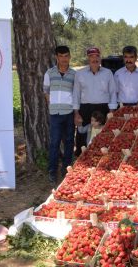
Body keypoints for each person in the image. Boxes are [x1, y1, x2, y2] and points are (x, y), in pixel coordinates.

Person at [73, 47, 117, 156]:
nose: (95, 59)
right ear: (88, 58)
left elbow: (112, 92)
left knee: (102, 135)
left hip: (103, 108)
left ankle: (101, 160)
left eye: (97, 56)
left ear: (100, 58)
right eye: (91, 56)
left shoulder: (108, 73)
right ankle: (81, 162)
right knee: (82, 136)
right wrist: (76, 113)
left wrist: (111, 112)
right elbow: (76, 94)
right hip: (85, 108)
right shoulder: (80, 73)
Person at [43, 45, 76, 185]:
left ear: (69, 57)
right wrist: (52, 103)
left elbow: (76, 93)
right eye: (61, 56)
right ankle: (52, 171)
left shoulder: (75, 74)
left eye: (66, 56)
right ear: (56, 57)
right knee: (54, 142)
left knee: (69, 142)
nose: (63, 59)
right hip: (55, 114)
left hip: (69, 112)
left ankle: (66, 169)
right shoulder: (49, 73)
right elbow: (46, 91)